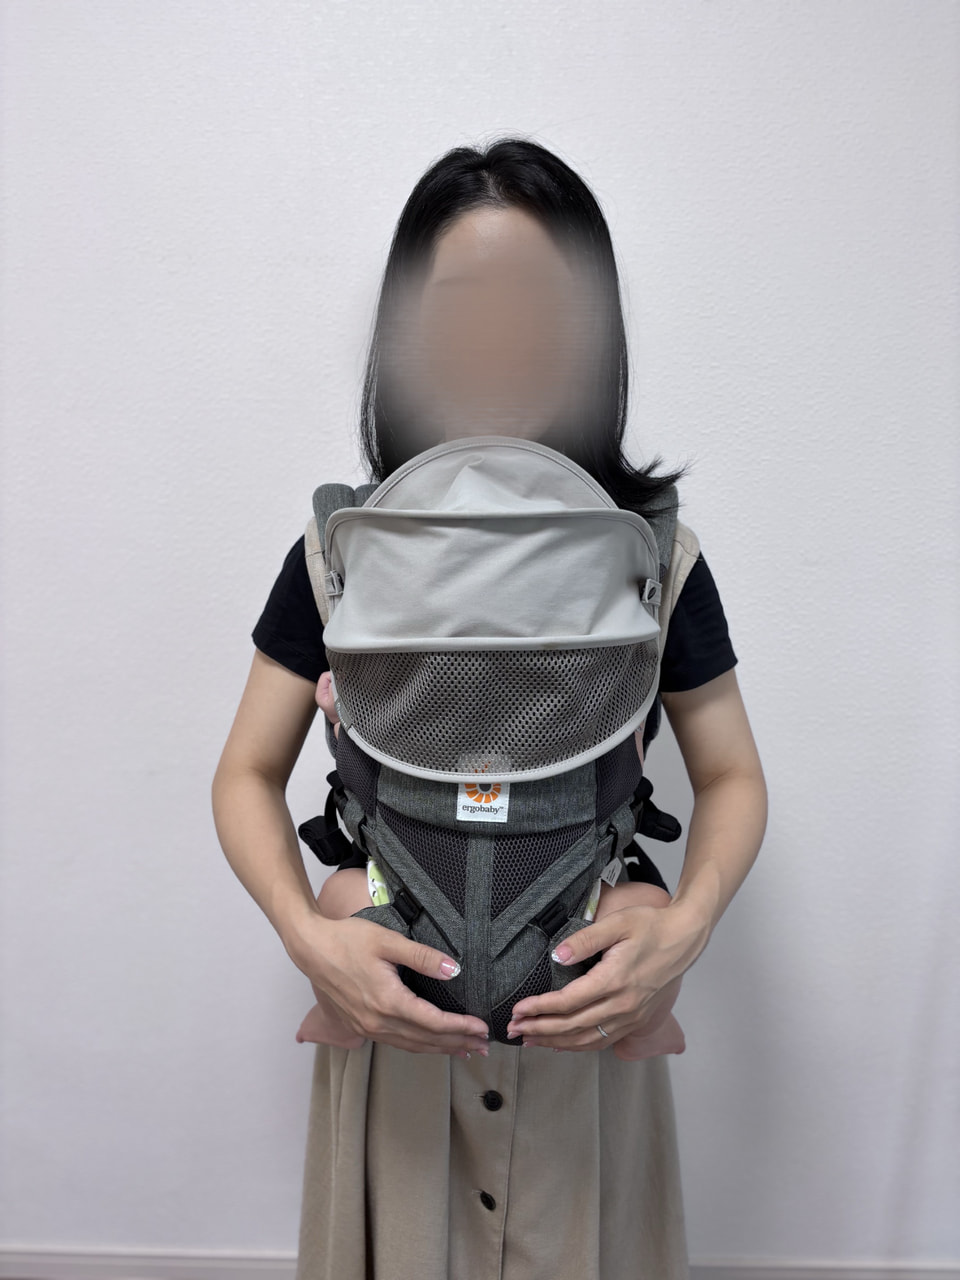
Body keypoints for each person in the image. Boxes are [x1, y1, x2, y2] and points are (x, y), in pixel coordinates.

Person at [211, 137, 768, 1280]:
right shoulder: (343, 556)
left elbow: (732, 775)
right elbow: (243, 772)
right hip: (395, 1059)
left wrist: (684, 928)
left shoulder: (652, 562)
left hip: (588, 1061)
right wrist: (310, 937)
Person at [295, 673, 688, 1062]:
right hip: (573, 925)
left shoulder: (397, 671)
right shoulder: (597, 670)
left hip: (400, 918)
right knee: (652, 906)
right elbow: (629, 749)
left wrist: (340, 708)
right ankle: (648, 1030)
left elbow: (352, 743)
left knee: (337, 897)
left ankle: (335, 1020)